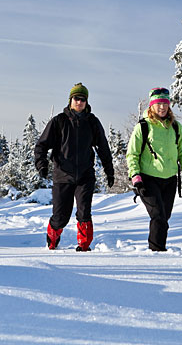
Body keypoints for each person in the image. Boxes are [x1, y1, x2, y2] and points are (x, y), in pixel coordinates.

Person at [34, 83, 115, 251]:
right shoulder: (59, 121)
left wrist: (109, 170)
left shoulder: (92, 122)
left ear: (86, 102)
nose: (79, 102)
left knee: (84, 213)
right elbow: (41, 146)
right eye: (76, 99)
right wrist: (42, 164)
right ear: (70, 100)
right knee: (60, 216)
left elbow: (103, 147)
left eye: (83, 99)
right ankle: (52, 237)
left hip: (85, 176)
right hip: (62, 176)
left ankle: (84, 246)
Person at [126, 87, 182, 251]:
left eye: (165, 103)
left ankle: (157, 249)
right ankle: (157, 251)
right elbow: (132, 154)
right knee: (158, 216)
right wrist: (136, 177)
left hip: (170, 180)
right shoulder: (143, 127)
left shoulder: (176, 128)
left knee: (164, 217)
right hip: (148, 179)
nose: (162, 107)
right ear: (151, 106)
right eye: (159, 104)